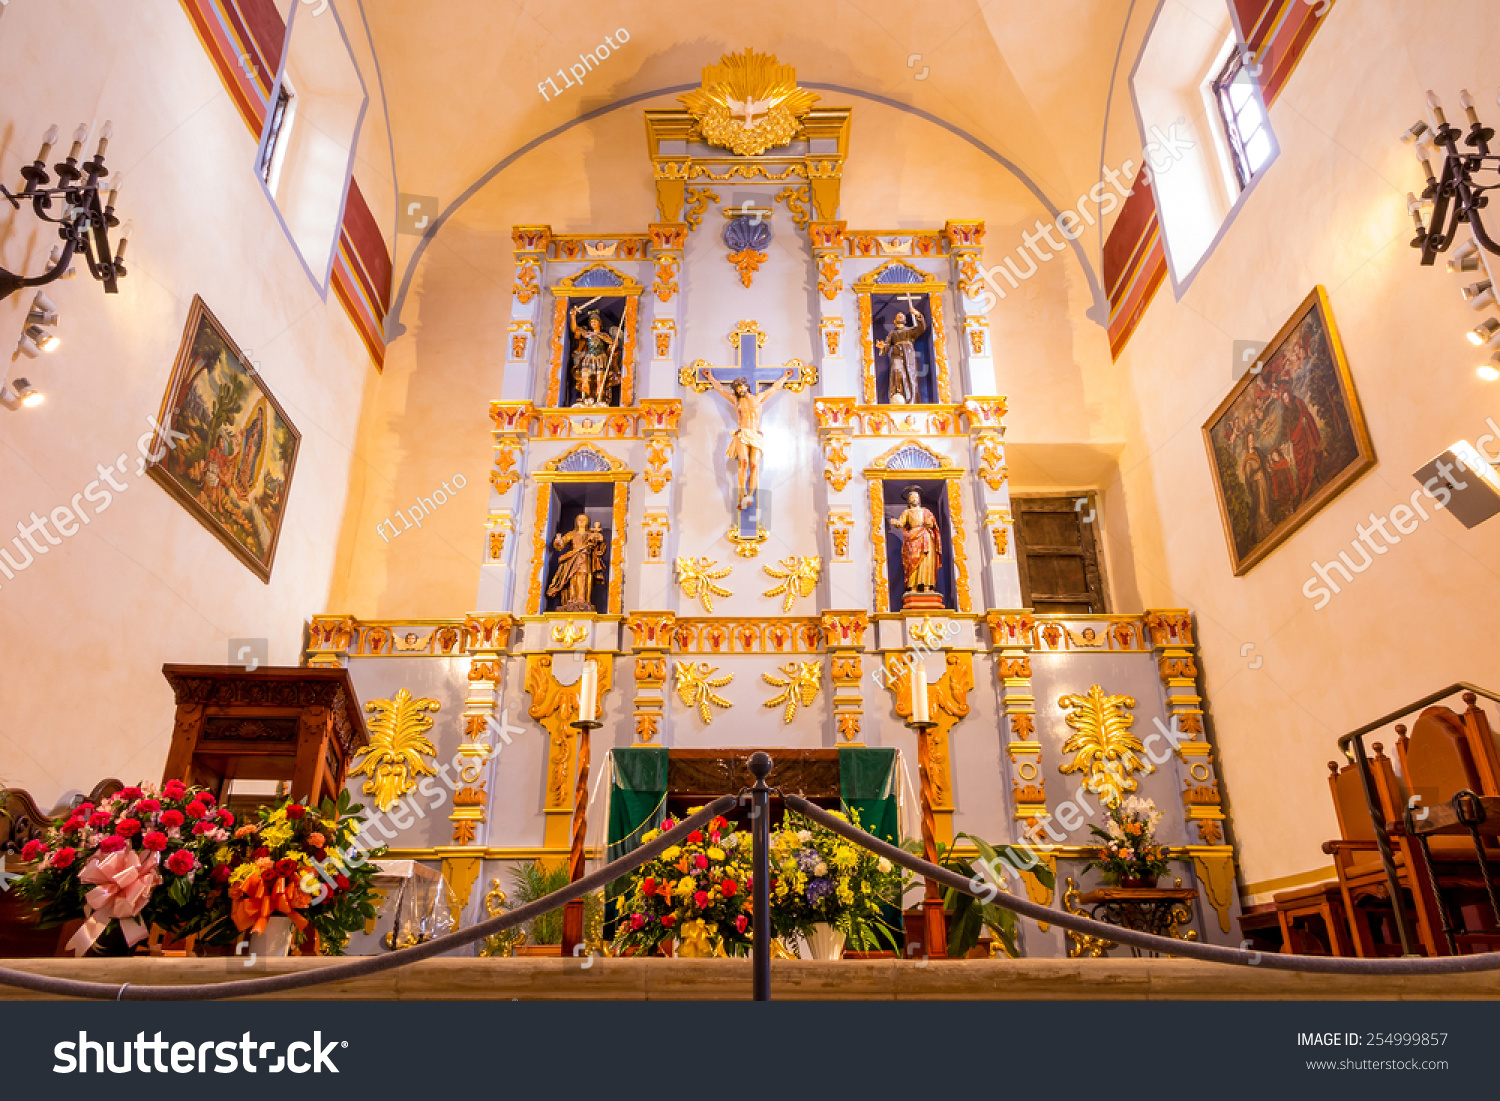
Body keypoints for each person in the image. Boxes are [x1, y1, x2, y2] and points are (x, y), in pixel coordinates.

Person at [702, 366, 793, 511]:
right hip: (742, 433)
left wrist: (785, 377)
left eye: (741, 387)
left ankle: (750, 495)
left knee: (754, 464)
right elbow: (721, 390)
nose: (739, 390)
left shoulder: (758, 398)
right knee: (743, 463)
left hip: (755, 434)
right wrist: (710, 377)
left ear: (746, 386)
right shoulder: (735, 400)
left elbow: (774, 389)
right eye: (737, 389)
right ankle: (741, 495)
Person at [890, 486, 943, 599]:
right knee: (912, 561)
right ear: (908, 501)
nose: (914, 499)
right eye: (912, 497)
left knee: (926, 561)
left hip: (925, 537)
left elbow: (933, 525)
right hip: (913, 537)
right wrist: (896, 523)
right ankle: (912, 586)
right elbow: (901, 523)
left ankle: (927, 586)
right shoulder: (907, 512)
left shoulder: (926, 511)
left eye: (916, 497)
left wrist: (931, 524)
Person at [547, 514, 606, 611]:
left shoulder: (591, 534)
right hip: (573, 558)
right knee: (572, 577)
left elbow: (599, 548)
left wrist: (599, 540)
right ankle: (572, 599)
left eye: (584, 520)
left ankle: (582, 599)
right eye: (579, 520)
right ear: (576, 522)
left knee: (584, 576)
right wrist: (558, 541)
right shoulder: (572, 534)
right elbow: (561, 544)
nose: (581, 522)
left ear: (588, 522)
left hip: (585, 559)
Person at [877, 306, 927, 404]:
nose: (900, 316)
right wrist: (882, 347)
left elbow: (921, 328)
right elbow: (887, 346)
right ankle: (899, 396)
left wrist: (918, 315)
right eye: (898, 316)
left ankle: (911, 400)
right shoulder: (892, 333)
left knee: (910, 375)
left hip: (909, 355)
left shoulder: (910, 331)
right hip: (897, 354)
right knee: (897, 372)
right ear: (894, 321)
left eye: (902, 316)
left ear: (905, 321)